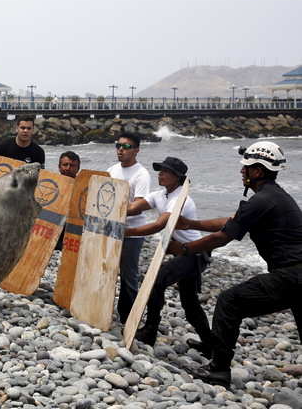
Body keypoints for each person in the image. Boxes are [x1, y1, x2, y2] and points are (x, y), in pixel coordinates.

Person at [169, 141, 302, 387]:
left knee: (229, 302)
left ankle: (218, 370)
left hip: (291, 274)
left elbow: (223, 237)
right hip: (296, 275)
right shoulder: (273, 197)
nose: (242, 171)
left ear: (258, 171)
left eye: (246, 168)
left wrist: (184, 248)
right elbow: (231, 221)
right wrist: (190, 224)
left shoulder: (262, 200)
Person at [124, 157, 212, 349]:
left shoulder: (181, 200)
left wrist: (124, 231)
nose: (160, 174)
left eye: (166, 171)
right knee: (190, 303)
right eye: (160, 170)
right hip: (182, 253)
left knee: (156, 281)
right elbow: (133, 208)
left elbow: (158, 226)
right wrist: (112, 209)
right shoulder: (161, 195)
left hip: (194, 254)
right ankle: (210, 343)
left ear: (177, 177)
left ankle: (150, 331)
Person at [108, 131, 150, 323]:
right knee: (107, 268)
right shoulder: (112, 170)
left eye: (126, 147)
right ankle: (104, 308)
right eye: (118, 145)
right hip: (111, 228)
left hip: (132, 232)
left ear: (137, 150)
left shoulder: (142, 174)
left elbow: (138, 207)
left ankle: (129, 317)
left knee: (128, 274)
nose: (120, 150)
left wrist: (116, 208)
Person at [55, 151, 81, 251]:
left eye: (72, 165)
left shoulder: (83, 188)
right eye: (65, 165)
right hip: (52, 233)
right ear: (59, 166)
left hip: (73, 235)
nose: (68, 168)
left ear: (78, 168)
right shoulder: (51, 185)